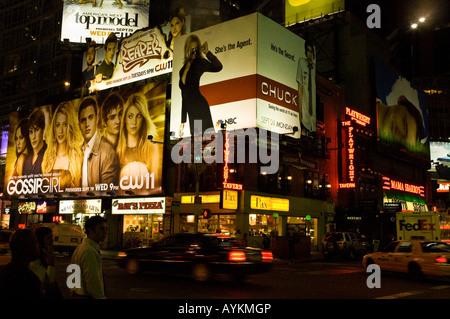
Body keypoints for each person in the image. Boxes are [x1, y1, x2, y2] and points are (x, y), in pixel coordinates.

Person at [178, 34, 222, 137]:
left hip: (199, 107)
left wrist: (207, 53)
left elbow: (218, 67)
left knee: (205, 143)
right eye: (192, 49)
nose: (194, 52)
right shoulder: (182, 69)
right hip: (191, 110)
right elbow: (184, 95)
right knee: (198, 144)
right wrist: (182, 121)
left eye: (196, 49)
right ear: (187, 49)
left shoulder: (200, 63)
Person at [116, 93, 160, 194]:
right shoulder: (118, 147)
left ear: (144, 119)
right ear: (125, 119)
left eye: (139, 116)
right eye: (130, 116)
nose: (134, 122)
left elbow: (155, 183)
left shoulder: (151, 146)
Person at [78, 97, 120, 192]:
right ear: (79, 125)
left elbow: (109, 190)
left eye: (90, 117)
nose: (87, 124)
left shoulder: (107, 151)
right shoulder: (77, 151)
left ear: (96, 119)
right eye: (83, 120)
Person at [42, 101, 84, 190]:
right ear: (54, 128)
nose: (60, 130)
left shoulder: (76, 157)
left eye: (65, 124)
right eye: (57, 125)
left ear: (70, 127)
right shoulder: (47, 158)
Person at [70, 216, 108, 299]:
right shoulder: (90, 251)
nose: (105, 232)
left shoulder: (80, 248)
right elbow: (93, 285)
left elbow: (72, 279)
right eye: (101, 228)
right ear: (91, 230)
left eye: (106, 228)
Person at [0, 229, 41, 298]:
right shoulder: (29, 281)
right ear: (27, 248)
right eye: (35, 243)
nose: (38, 246)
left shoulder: (3, 273)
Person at [29, 226, 62, 299]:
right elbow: (47, 281)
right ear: (41, 240)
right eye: (49, 238)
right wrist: (51, 262)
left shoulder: (44, 255)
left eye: (52, 238)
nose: (52, 240)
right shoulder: (35, 258)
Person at [296, 40, 316, 135]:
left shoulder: (314, 68)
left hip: (313, 118)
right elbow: (300, 89)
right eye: (308, 51)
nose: (309, 54)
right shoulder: (302, 62)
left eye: (311, 51)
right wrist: (299, 117)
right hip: (304, 116)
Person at [22, 109, 47, 176]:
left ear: (43, 129)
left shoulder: (49, 154)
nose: (33, 137)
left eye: (36, 130)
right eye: (31, 132)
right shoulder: (26, 160)